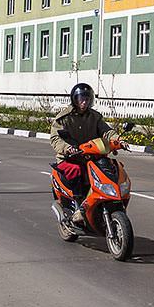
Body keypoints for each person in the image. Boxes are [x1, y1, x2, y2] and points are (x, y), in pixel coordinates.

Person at [51, 82, 119, 217]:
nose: (84, 102)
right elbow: (55, 139)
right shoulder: (64, 118)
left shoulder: (95, 117)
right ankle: (78, 206)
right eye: (81, 98)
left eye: (87, 98)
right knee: (76, 171)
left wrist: (118, 140)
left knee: (112, 167)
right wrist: (68, 148)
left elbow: (107, 131)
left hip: (91, 156)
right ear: (75, 99)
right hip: (71, 158)